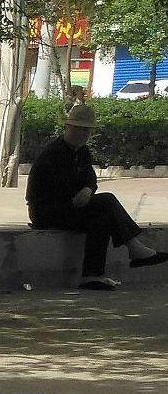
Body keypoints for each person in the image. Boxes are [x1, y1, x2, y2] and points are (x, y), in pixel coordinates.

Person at [27, 99, 166, 289]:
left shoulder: (82, 152)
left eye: (86, 130)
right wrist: (78, 195)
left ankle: (92, 276)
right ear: (67, 127)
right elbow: (53, 190)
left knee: (102, 219)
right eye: (77, 129)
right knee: (107, 201)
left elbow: (90, 180)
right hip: (48, 211)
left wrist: (88, 189)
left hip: (72, 207)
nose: (82, 134)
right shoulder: (53, 154)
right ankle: (134, 248)